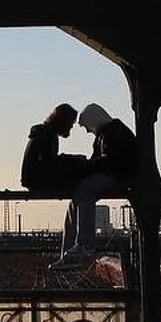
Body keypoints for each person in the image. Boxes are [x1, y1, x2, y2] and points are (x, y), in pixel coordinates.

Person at [55, 103, 137, 264]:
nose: (87, 131)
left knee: (84, 191)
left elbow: (108, 162)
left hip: (120, 176)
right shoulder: (107, 133)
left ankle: (85, 244)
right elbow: (99, 161)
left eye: (87, 126)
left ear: (94, 120)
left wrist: (83, 167)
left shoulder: (113, 132)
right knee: (76, 199)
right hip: (114, 175)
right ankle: (69, 253)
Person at [20, 104, 89, 196]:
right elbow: (48, 164)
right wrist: (73, 161)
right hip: (37, 181)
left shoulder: (43, 133)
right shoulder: (48, 135)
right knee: (82, 179)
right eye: (71, 123)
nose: (71, 127)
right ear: (63, 121)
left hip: (31, 179)